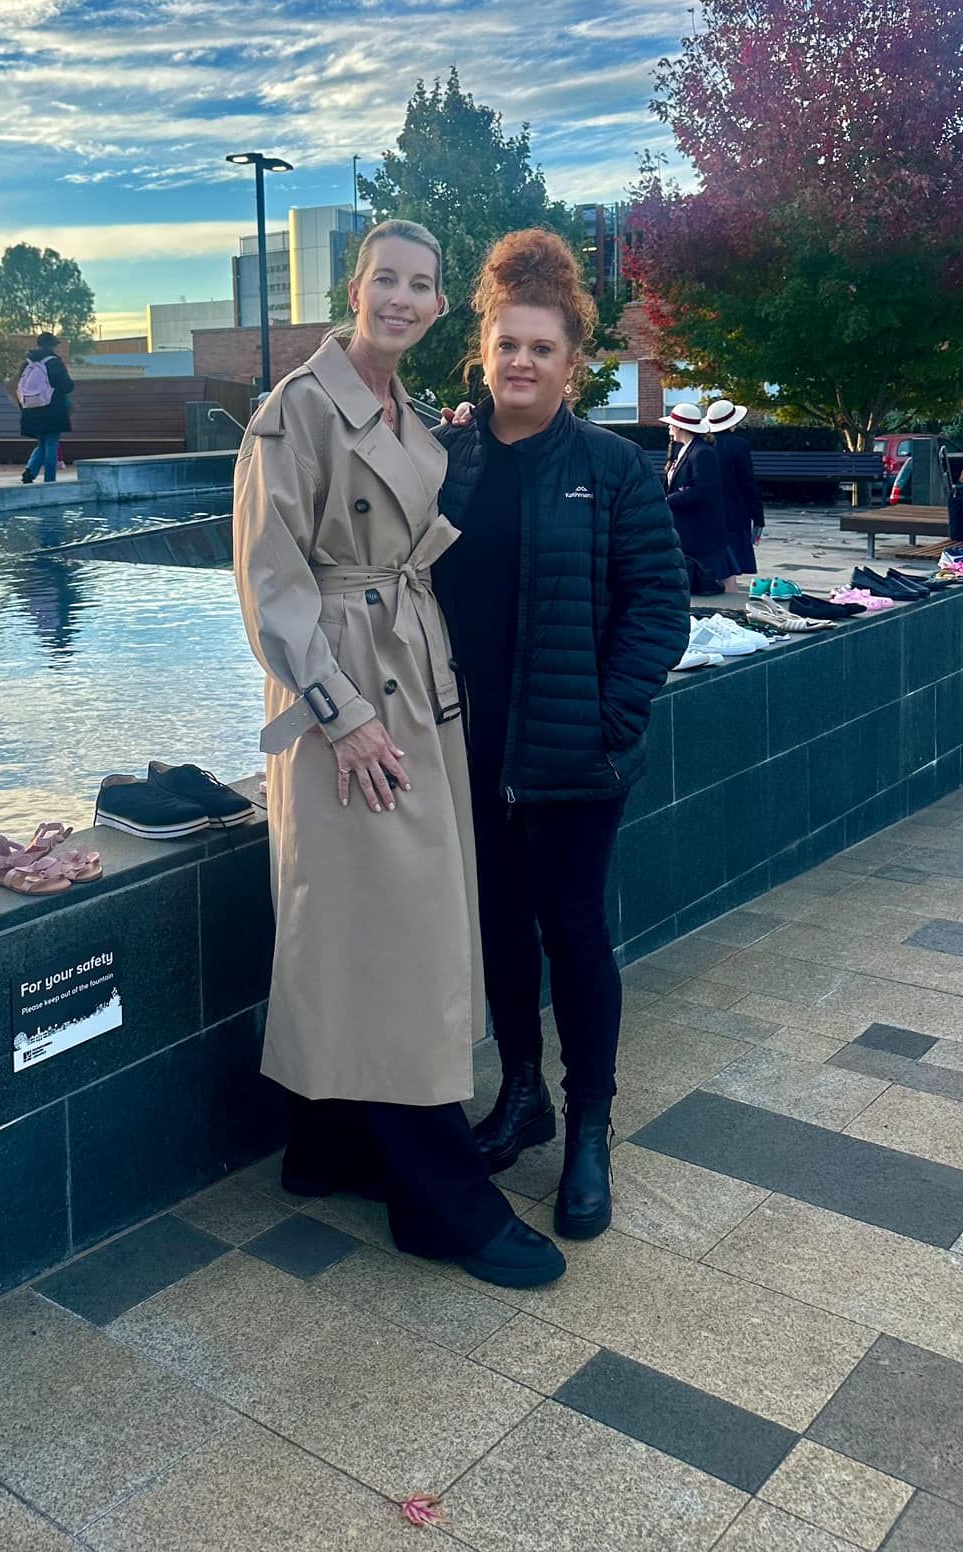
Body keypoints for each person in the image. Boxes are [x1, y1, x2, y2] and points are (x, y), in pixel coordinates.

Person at [232, 219, 563, 1290]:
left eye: (425, 284)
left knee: (377, 921)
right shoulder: (296, 411)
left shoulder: (405, 411)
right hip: (349, 698)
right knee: (393, 931)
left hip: (414, 680)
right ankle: (439, 1197)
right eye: (389, 279)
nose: (406, 299)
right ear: (356, 284)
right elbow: (270, 587)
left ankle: (328, 1147)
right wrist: (343, 713)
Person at [435, 231, 689, 1240]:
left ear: (574, 362)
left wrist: (608, 718)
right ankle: (522, 1092)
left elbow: (659, 606)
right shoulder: (448, 458)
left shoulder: (613, 468)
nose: (522, 363)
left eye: (542, 348)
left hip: (575, 755)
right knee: (497, 927)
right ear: (482, 351)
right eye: (507, 345)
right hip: (472, 747)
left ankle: (590, 1124)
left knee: (573, 935)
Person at [664, 404, 729, 593]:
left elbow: (704, 491)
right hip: (684, 527)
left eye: (671, 425)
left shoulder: (702, 452)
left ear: (679, 427)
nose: (669, 428)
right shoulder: (682, 450)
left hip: (700, 530)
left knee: (705, 580)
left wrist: (670, 499)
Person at [705, 398, 764, 582]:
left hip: (708, 512)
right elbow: (747, 483)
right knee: (731, 567)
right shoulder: (738, 445)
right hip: (734, 512)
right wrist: (758, 517)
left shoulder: (703, 444)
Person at [17, 332, 73, 484]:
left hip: (31, 409)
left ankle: (30, 471)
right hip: (52, 409)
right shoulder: (54, 362)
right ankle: (50, 480)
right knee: (51, 443)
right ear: (52, 345)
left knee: (42, 443)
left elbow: (20, 387)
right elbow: (67, 386)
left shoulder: (27, 363)